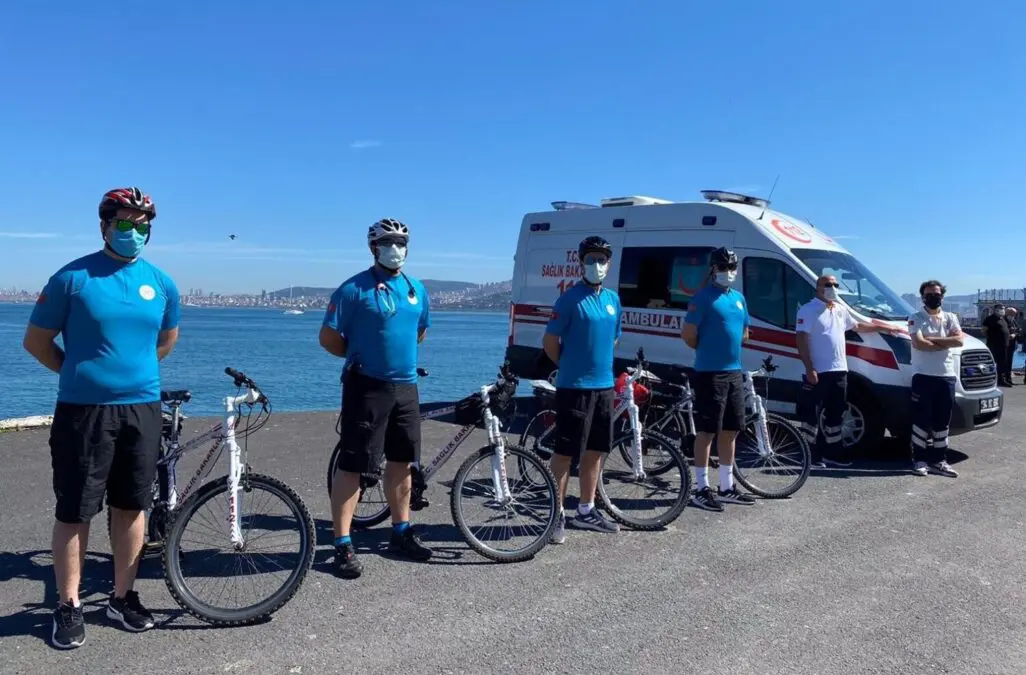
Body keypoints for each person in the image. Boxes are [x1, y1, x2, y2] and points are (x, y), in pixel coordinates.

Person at [22, 187, 180, 649]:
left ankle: (121, 595)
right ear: (105, 225)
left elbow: (165, 342)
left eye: (144, 225)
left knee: (132, 506)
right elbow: (36, 342)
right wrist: (79, 373)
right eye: (126, 223)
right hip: (83, 411)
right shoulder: (72, 278)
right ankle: (69, 603)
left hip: (141, 408)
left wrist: (131, 379)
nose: (135, 232)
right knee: (75, 509)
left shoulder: (162, 283)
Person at [320, 218, 433, 579]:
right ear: (374, 247)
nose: (396, 248)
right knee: (354, 465)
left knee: (402, 461)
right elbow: (329, 338)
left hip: (406, 387)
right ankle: (342, 542)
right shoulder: (353, 289)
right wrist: (361, 356)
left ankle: (401, 529)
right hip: (366, 386)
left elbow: (419, 332)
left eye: (401, 242)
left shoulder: (417, 289)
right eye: (388, 242)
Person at [543, 235, 623, 543]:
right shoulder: (568, 300)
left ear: (609, 264)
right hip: (574, 388)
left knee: (595, 451)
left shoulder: (613, 300)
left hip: (604, 387)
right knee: (565, 453)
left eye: (602, 259)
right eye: (591, 259)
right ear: (581, 262)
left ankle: (586, 510)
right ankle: (556, 514)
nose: (596, 265)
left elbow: (614, 338)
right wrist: (569, 364)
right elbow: (550, 343)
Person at [680, 247, 756, 511]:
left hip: (734, 371)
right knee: (707, 432)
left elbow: (745, 332)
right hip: (709, 373)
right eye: (723, 267)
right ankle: (701, 488)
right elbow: (688, 334)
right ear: (713, 269)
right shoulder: (702, 298)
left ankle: (726, 486)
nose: (728, 272)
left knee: (731, 430)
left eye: (732, 267)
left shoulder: (739, 298)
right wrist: (709, 348)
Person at [795, 274, 895, 467]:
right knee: (811, 415)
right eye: (827, 284)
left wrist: (882, 327)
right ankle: (809, 456)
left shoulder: (840, 309)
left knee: (836, 413)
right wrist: (809, 368)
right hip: (818, 371)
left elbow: (856, 326)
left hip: (840, 370)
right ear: (818, 287)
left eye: (835, 284)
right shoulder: (808, 310)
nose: (832, 287)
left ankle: (832, 454)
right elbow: (801, 339)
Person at [907, 280, 962, 477]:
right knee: (921, 421)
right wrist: (946, 342)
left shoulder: (950, 317)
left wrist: (933, 340)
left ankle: (939, 460)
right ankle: (919, 460)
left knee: (942, 422)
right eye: (929, 294)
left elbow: (959, 340)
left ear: (942, 296)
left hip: (946, 377)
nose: (933, 297)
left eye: (937, 294)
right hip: (923, 377)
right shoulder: (916, 318)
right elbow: (919, 344)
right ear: (922, 297)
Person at [982, 304, 1011, 386]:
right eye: (1001, 308)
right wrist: (992, 337)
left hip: (1004, 345)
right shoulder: (989, 319)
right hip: (994, 345)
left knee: (1002, 362)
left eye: (1003, 308)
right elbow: (983, 331)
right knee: (993, 362)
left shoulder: (1003, 319)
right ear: (996, 309)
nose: (1003, 310)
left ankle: (1001, 380)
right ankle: (989, 379)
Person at [1004, 307, 1018, 385]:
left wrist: (1014, 334)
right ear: (1007, 313)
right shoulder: (1003, 321)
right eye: (1012, 314)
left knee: (1009, 362)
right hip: (1005, 345)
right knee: (1004, 362)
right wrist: (1008, 335)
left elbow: (1017, 330)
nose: (1013, 316)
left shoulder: (1013, 321)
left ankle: (1008, 378)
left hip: (1012, 344)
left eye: (1014, 314)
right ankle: (1004, 378)